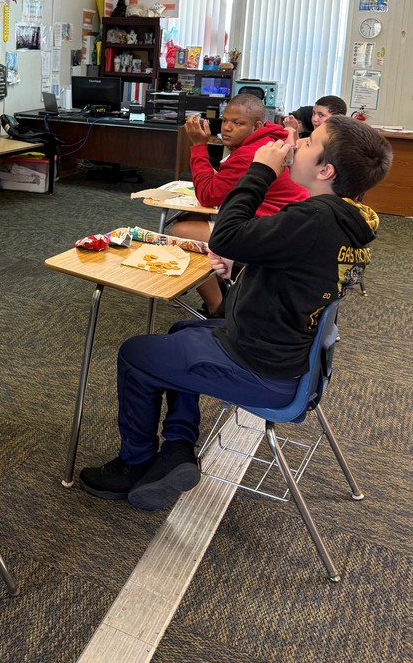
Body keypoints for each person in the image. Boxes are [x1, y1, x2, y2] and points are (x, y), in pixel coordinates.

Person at [79, 116, 392, 511]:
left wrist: (260, 169)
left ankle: (134, 464)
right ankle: (176, 449)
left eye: (310, 142)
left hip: (263, 370)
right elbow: (298, 277)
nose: (296, 143)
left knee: (136, 354)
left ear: (325, 170)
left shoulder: (312, 218)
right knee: (180, 329)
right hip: (286, 353)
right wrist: (243, 271)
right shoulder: (345, 219)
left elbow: (225, 234)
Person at [170, 93, 308, 313]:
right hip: (287, 225)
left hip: (272, 233)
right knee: (192, 218)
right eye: (225, 120)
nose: (227, 128)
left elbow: (207, 194)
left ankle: (217, 307)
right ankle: (223, 288)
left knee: (182, 230)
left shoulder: (248, 153)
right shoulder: (269, 139)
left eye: (238, 123)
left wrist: (198, 146)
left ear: (257, 125)